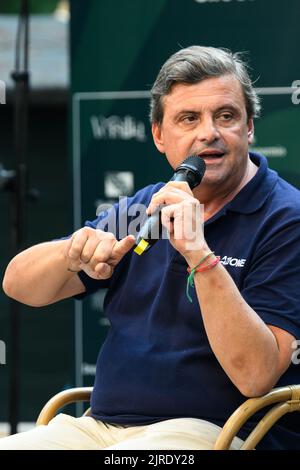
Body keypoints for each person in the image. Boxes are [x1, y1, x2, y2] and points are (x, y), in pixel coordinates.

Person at [1, 45, 300, 450]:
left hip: (219, 430)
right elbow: (18, 285)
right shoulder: (148, 205)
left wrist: (199, 254)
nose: (208, 132)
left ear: (249, 128)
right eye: (189, 118)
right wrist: (72, 253)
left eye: (226, 116)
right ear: (160, 135)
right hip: (100, 427)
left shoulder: (286, 218)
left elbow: (255, 375)